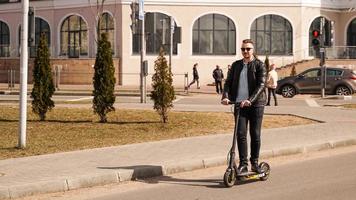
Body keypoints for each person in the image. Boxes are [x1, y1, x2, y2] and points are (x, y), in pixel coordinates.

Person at [221, 39, 267, 174]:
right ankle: (243, 164)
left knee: (255, 134)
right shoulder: (236, 65)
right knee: (240, 134)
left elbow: (261, 85)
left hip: (256, 104)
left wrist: (250, 100)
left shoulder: (260, 65)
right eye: (243, 49)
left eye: (248, 49)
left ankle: (255, 163)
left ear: (253, 50)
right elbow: (228, 83)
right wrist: (225, 96)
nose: (245, 51)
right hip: (239, 104)